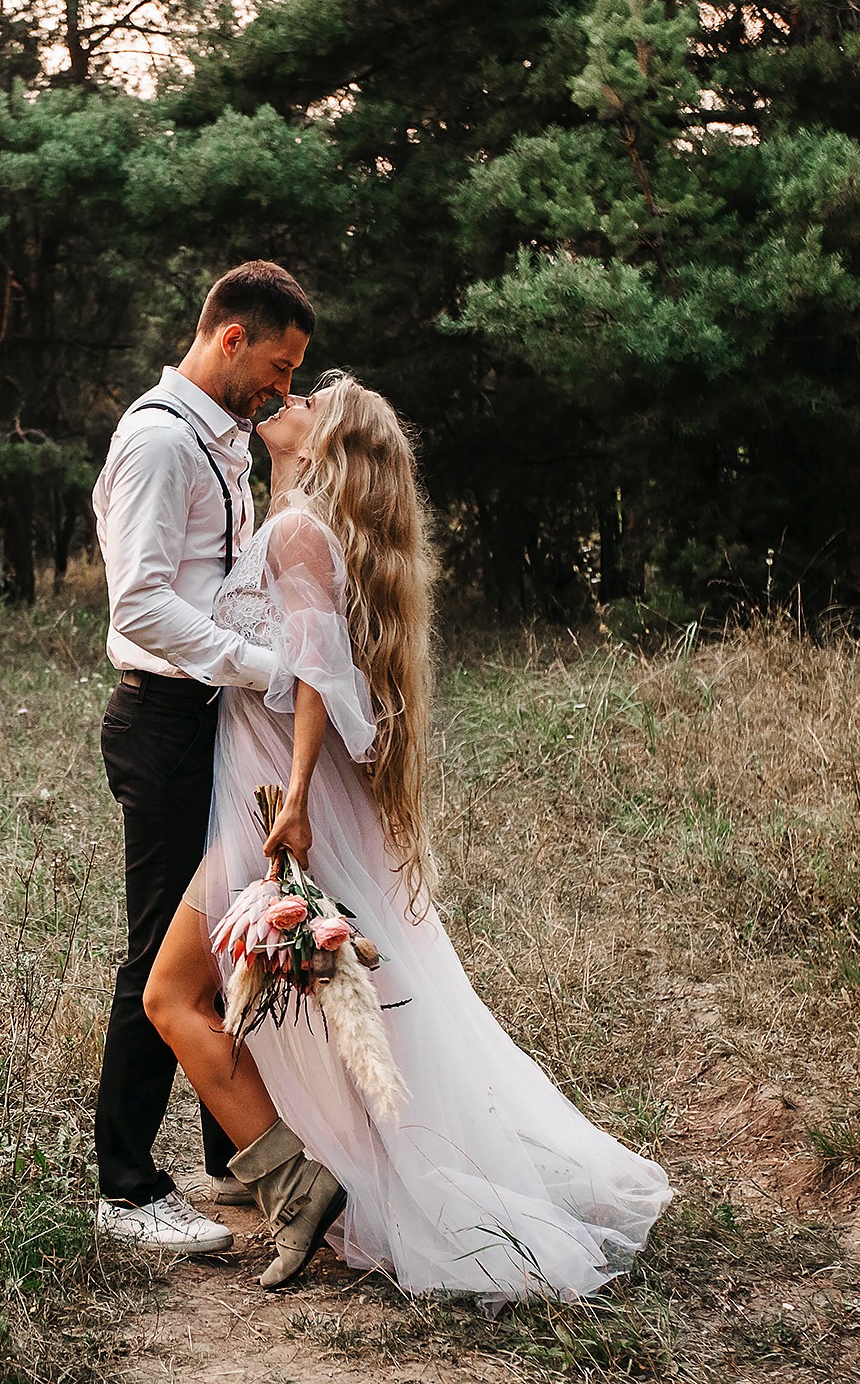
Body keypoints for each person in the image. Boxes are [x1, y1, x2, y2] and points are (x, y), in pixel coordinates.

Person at [143, 375, 674, 1294]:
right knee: (284, 1003)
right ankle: (306, 1175)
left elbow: (312, 673)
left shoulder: (303, 534)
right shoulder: (306, 529)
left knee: (171, 997)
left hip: (266, 802)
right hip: (262, 792)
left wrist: (298, 797)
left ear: (328, 444)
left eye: (312, 397)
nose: (291, 397)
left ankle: (305, 1185)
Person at [89, 261, 315, 1254]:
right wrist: (264, 668)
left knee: (226, 935)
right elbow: (137, 600)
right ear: (231, 337)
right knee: (161, 954)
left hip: (211, 720)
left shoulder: (223, 442)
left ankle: (232, 1158)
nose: (283, 386)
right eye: (278, 363)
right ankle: (127, 1188)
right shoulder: (157, 441)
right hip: (163, 724)